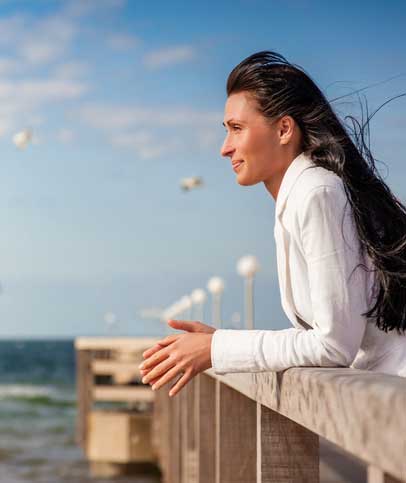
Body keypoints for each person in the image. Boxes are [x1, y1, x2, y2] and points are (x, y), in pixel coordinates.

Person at [139, 51, 406, 397]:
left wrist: (217, 349)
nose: (225, 148)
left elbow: (333, 344)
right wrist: (218, 343)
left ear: (283, 129)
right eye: (226, 131)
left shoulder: (315, 191)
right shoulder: (303, 193)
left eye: (237, 129)